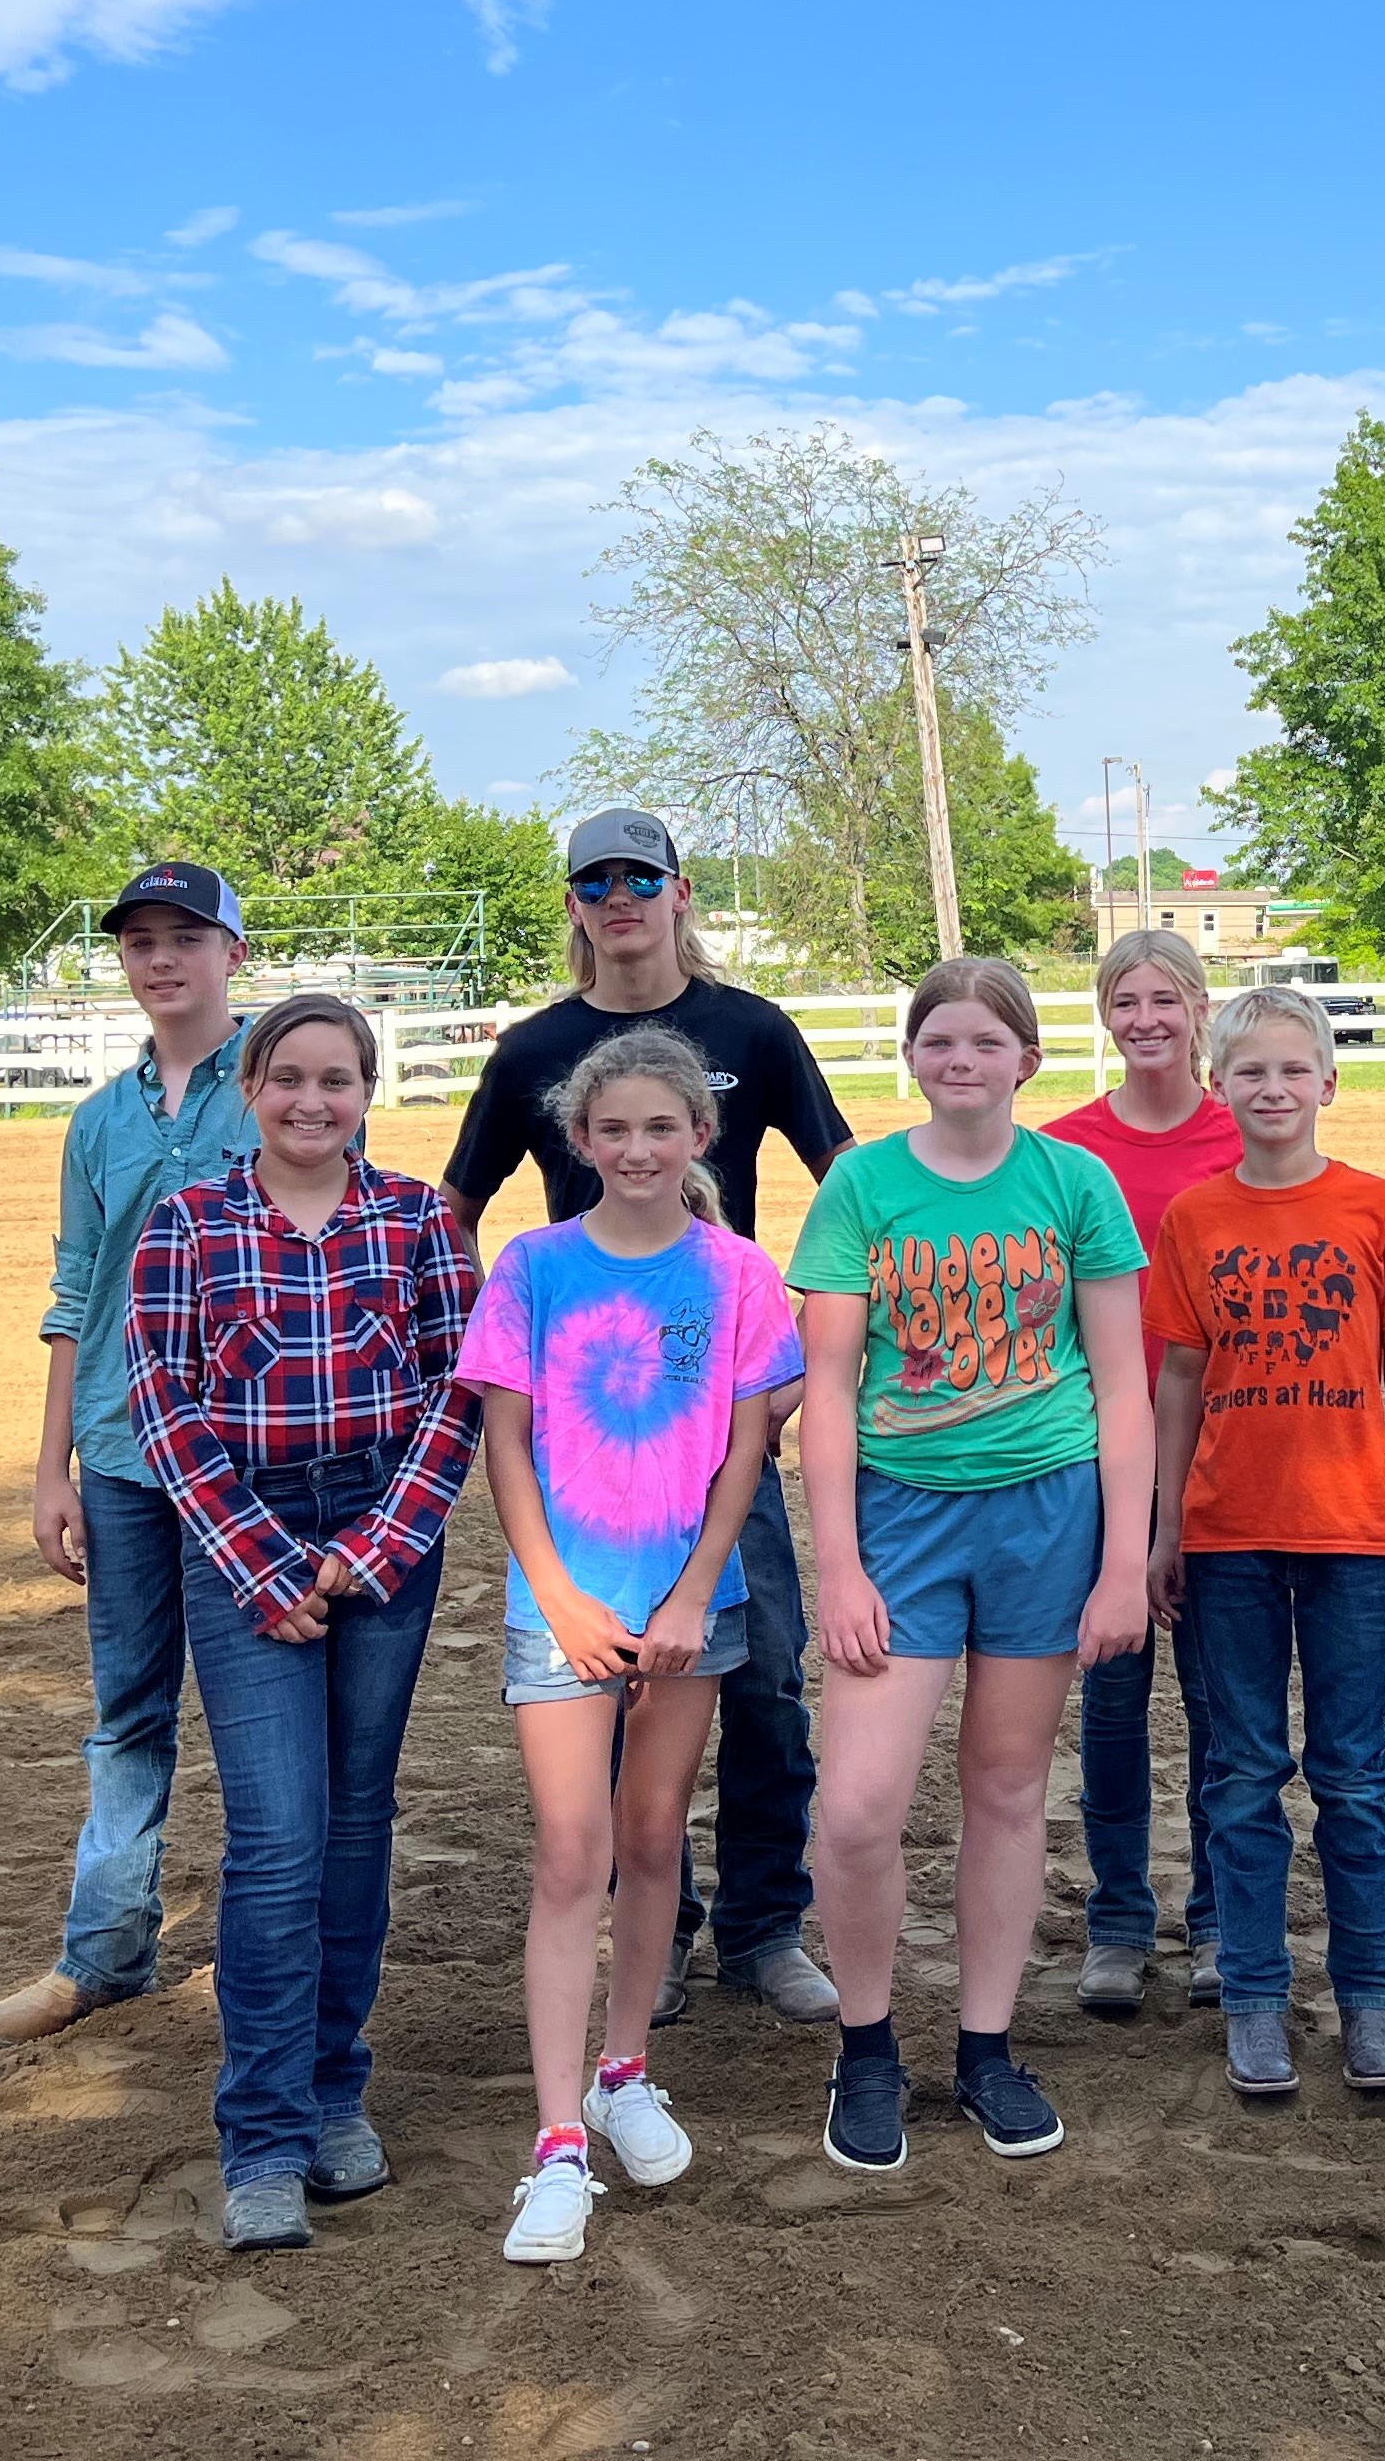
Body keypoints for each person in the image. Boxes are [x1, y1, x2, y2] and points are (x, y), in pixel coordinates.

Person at [441, 807, 852, 2028]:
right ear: (574, 904)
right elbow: (453, 1205)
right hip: (591, 1447)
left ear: (679, 891)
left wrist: (795, 1357)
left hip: (720, 1424)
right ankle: (652, 1925)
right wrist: (517, 1354)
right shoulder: (533, 1053)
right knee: (605, 1675)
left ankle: (765, 1927)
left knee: (765, 1673)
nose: (618, 897)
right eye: (594, 881)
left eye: (640, 876)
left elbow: (850, 1186)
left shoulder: (753, 1032)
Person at [125, 994, 483, 2252]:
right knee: (276, 1837)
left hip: (386, 1525)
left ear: (368, 1093)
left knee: (354, 1821)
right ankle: (264, 2134)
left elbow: (458, 1391)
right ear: (250, 1090)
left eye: (338, 1080)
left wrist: (376, 1549)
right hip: (243, 1530)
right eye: (288, 1079)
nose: (312, 1102)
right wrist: (265, 1565)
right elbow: (162, 1402)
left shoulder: (421, 1220)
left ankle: (337, 2091)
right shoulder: (189, 1224)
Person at [790, 957, 1155, 2172]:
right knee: (856, 1809)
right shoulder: (862, 1185)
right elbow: (830, 1391)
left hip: (1047, 1514)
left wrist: (1120, 1564)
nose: (961, 1062)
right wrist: (838, 1566)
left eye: (985, 1044)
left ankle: (987, 2047)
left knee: (1005, 1790)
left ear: (1027, 1061)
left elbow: (1122, 1388)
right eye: (938, 1041)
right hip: (904, 1517)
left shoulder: (1073, 1182)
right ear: (913, 1056)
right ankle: (869, 2045)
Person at [462, 1027, 802, 2263]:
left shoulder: (738, 1278)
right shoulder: (534, 1266)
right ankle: (558, 2143)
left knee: (655, 1836)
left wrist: (693, 1596)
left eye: (664, 1128)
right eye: (616, 1130)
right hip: (568, 1609)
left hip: (684, 1611)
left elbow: (745, 1453)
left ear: (699, 1140)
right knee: (573, 1852)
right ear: (581, 1142)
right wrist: (554, 1594)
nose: (640, 1148)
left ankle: (625, 2071)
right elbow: (506, 1443)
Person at [0, 862, 261, 2054]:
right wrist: (54, 1469)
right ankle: (105, 1950)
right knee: (129, 1708)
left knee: (257, 1717)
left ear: (233, 952)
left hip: (250, 1460)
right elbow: (75, 1293)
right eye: (140, 941)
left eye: (185, 936)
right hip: (128, 1456)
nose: (160, 959)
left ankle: (265, 1947)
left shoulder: (281, 1088)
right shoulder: (100, 1121)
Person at [1145, 985, 1385, 2100]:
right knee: (1241, 1775)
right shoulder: (1197, 1218)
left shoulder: (1378, 1209)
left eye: (1292, 1070)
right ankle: (1258, 1996)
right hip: (1229, 1539)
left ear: (1328, 1081)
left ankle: (1369, 1996)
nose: (1271, 1090)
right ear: (1218, 1085)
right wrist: (1169, 1523)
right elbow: (1180, 1376)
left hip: (1350, 1538)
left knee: (1356, 1777)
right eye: (1249, 1072)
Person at [1039, 927, 1245, 2016]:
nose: (1148, 1019)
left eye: (1167, 998)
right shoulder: (1064, 1148)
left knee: (1221, 1704)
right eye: (1128, 1001)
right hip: (1101, 1456)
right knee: (1113, 1700)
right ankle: (1118, 1919)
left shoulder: (1239, 1134)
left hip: (1224, 1457)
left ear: (1200, 1008)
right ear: (1107, 1018)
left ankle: (1216, 1917)